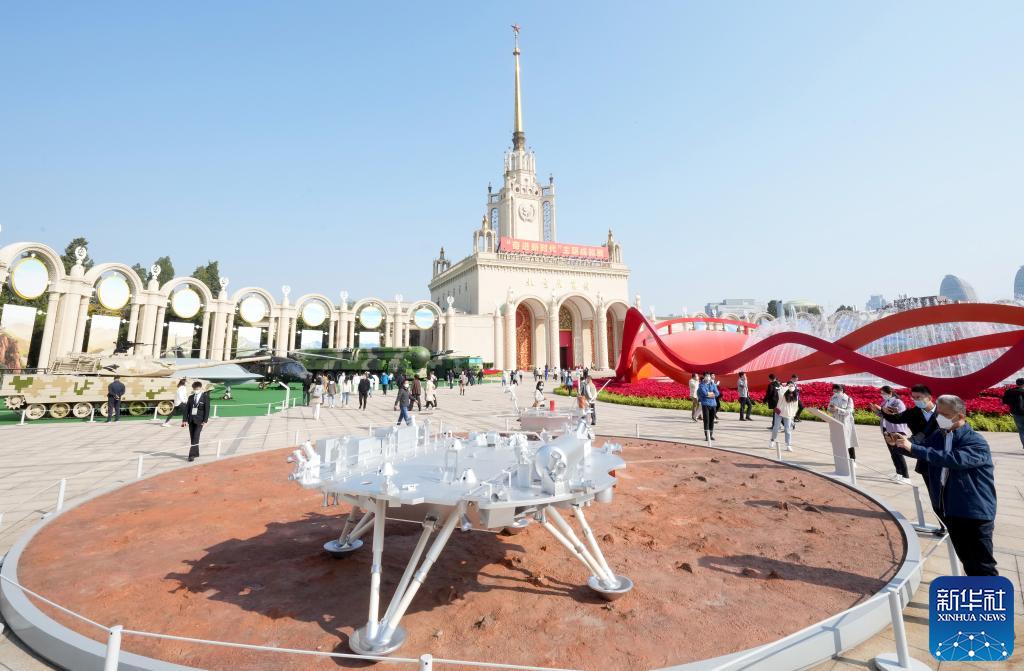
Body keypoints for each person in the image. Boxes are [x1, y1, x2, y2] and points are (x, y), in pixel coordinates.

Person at [892, 395, 997, 576]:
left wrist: (913, 447)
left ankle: (988, 593)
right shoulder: (940, 435)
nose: (939, 418)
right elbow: (923, 449)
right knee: (967, 560)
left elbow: (953, 459)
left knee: (982, 565)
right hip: (951, 508)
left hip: (974, 511)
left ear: (960, 416)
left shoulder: (976, 442)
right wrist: (899, 444)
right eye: (938, 414)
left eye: (944, 415)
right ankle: (974, 590)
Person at [870, 384, 942, 517]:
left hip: (944, 457)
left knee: (948, 495)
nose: (916, 400)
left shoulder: (943, 412)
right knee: (934, 495)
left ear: (929, 397)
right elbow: (896, 418)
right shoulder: (913, 413)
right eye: (914, 397)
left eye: (919, 397)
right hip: (925, 459)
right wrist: (883, 411)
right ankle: (942, 523)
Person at [876, 385, 911, 481]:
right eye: (881, 393)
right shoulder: (884, 402)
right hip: (886, 429)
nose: (882, 395)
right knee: (893, 452)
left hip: (896, 430)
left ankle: (906, 476)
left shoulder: (898, 402)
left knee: (898, 452)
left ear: (890, 393)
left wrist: (887, 411)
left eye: (884, 393)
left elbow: (900, 415)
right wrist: (878, 410)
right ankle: (899, 473)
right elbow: (882, 415)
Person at [181, 381, 210, 462]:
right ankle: (196, 453)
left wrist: (205, 420)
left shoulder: (205, 397)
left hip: (200, 420)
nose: (195, 390)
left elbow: (207, 409)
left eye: (197, 389)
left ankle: (191, 455)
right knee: (193, 437)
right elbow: (187, 409)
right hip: (191, 420)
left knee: (196, 436)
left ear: (200, 388)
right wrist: (184, 420)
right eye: (194, 389)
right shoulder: (191, 397)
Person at [827, 383, 857, 458]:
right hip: (836, 421)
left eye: (836, 391)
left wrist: (837, 409)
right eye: (833, 391)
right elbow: (829, 408)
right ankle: (840, 459)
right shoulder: (833, 398)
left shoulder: (849, 399)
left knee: (848, 441)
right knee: (838, 441)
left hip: (846, 422)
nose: (835, 393)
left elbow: (849, 411)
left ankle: (852, 459)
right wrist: (831, 409)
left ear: (841, 390)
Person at [771, 380, 799, 451]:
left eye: (792, 385)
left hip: (788, 414)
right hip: (779, 412)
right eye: (789, 385)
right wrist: (786, 387)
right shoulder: (783, 393)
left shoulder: (795, 396)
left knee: (787, 429)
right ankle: (772, 440)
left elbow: (795, 406)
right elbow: (780, 393)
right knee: (776, 427)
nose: (791, 387)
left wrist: (793, 414)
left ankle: (788, 445)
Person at [1001, 377, 1024, 448]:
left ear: (1017, 383)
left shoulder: (1010, 391)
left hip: (1016, 413)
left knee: (1021, 430)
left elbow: (1005, 401)